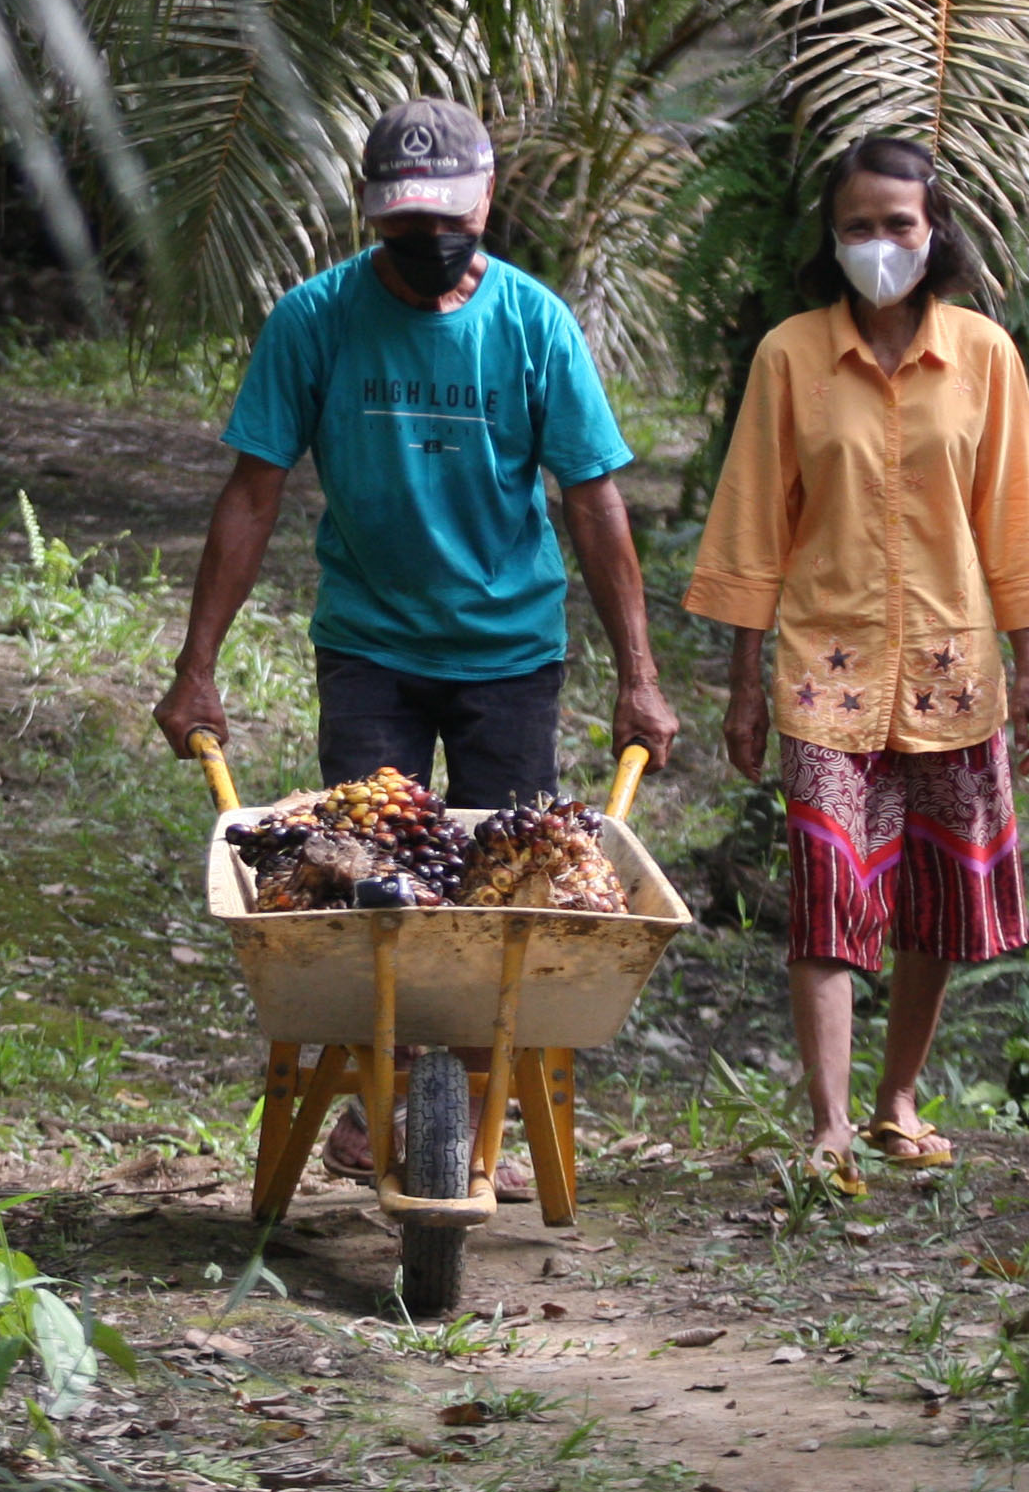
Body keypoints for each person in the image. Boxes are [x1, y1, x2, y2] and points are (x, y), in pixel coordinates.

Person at [157, 97, 685, 1189]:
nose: (429, 239)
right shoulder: (315, 320)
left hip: (510, 653)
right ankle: (378, 1099)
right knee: (367, 890)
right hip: (372, 647)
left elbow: (594, 502)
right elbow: (252, 493)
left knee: (509, 895)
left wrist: (641, 678)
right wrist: (195, 668)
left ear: (487, 200)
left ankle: (472, 1114)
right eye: (405, 222)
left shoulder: (533, 324)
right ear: (372, 212)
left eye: (448, 217)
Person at [685, 137, 1029, 1195]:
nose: (878, 244)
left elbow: (1017, 520)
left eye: (897, 224)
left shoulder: (985, 355)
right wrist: (741, 686)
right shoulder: (790, 357)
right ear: (832, 237)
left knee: (934, 898)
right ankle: (828, 1125)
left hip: (955, 670)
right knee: (828, 888)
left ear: (933, 230)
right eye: (856, 225)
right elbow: (753, 525)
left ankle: (897, 1099)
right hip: (827, 672)